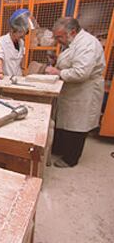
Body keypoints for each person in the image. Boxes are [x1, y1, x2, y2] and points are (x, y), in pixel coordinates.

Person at [45, 17, 105, 168]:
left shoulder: (87, 44)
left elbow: (81, 73)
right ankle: (59, 149)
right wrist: (58, 60)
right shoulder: (73, 41)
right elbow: (73, 60)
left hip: (84, 90)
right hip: (71, 90)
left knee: (77, 125)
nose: (57, 40)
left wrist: (57, 72)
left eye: (59, 37)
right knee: (65, 121)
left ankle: (71, 159)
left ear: (72, 32)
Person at [0, 9, 37, 79]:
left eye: (23, 33)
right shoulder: (0, 41)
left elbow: (22, 58)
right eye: (20, 33)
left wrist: (24, 71)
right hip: (4, 78)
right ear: (12, 30)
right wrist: (0, 73)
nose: (22, 36)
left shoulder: (21, 42)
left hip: (17, 78)